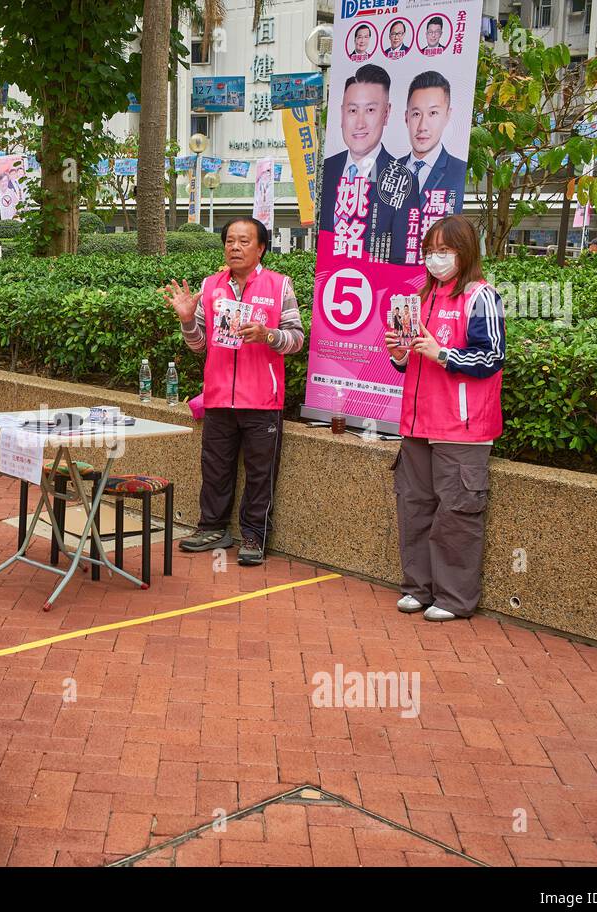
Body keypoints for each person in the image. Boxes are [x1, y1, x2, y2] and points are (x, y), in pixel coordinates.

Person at [162, 217, 305, 567]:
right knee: (215, 468)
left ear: (260, 248)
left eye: (244, 241)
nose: (235, 247)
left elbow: (297, 340)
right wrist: (186, 318)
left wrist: (267, 335)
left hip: (262, 400)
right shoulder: (211, 286)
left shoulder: (279, 285)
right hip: (219, 396)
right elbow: (198, 345)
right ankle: (212, 527)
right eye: (230, 241)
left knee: (260, 473)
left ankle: (254, 534)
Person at [384, 214, 505, 622]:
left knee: (456, 514)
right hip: (417, 423)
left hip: (461, 428)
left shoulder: (480, 296)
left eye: (445, 250)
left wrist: (444, 354)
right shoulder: (420, 298)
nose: (435, 259)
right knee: (414, 507)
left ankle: (454, 598)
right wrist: (400, 355)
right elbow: (412, 364)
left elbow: (491, 358)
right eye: (430, 251)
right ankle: (418, 588)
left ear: (465, 252)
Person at [319, 64, 411, 263]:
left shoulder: (401, 179)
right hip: (330, 287)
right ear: (342, 113)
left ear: (386, 114)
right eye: (352, 110)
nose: (359, 123)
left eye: (370, 110)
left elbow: (400, 257)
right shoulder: (328, 169)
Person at [398, 71, 467, 215]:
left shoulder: (459, 171)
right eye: (416, 114)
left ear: (447, 115)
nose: (422, 126)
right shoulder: (388, 171)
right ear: (406, 118)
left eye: (433, 113)